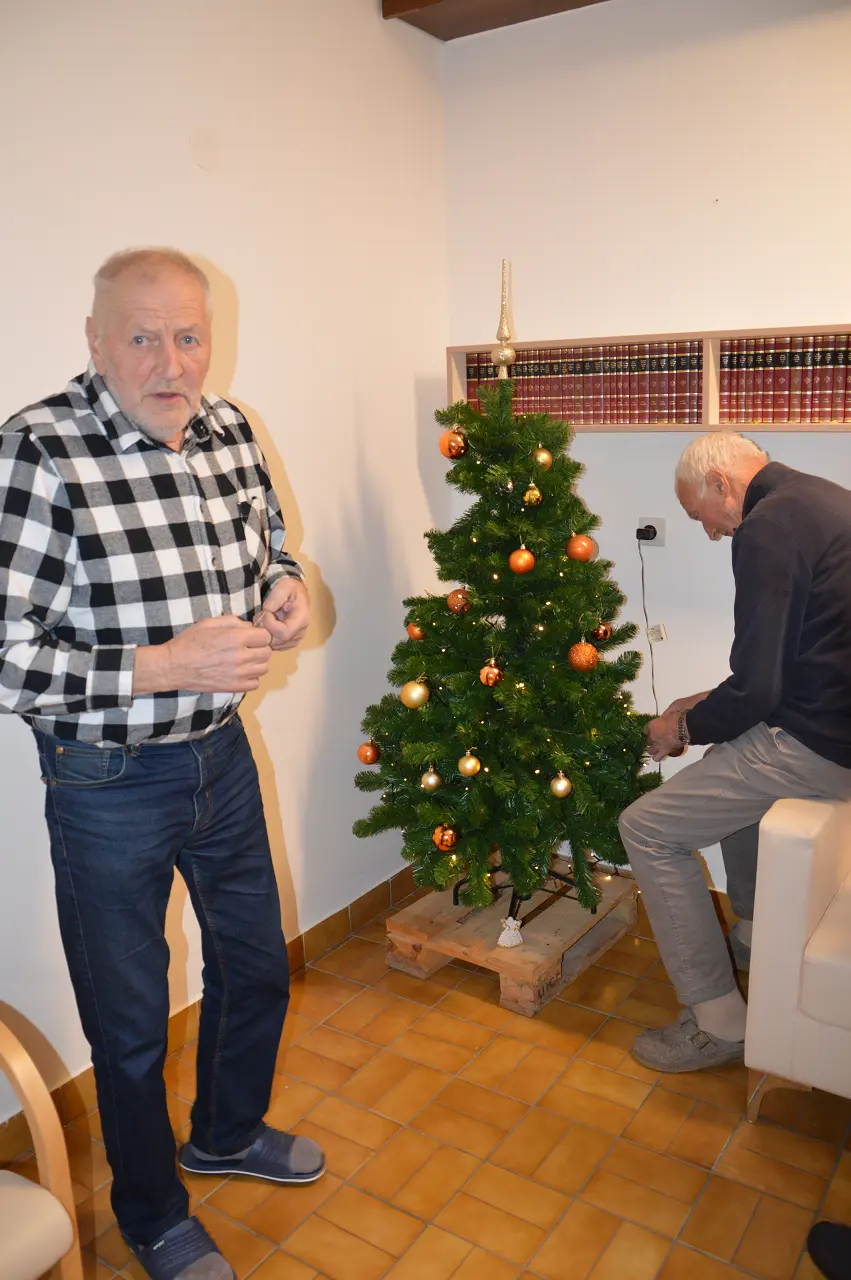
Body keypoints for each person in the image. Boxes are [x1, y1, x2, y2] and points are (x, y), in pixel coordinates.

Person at [0, 249, 324, 1280]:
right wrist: (165, 664)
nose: (170, 362)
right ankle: (150, 1212)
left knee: (256, 965)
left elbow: (267, 545)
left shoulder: (229, 429)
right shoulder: (38, 450)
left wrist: (283, 587)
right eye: (142, 337)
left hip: (221, 756)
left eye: (188, 335)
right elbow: (7, 656)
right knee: (131, 1023)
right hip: (104, 782)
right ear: (96, 342)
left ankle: (225, 1133)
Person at [618, 432, 851, 1073]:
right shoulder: (825, 500)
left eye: (703, 516)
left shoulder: (767, 527)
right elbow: (789, 663)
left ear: (722, 483)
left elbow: (757, 688)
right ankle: (750, 934)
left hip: (815, 745)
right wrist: (697, 707)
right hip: (832, 727)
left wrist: (680, 729)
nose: (711, 533)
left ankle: (719, 1023)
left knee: (646, 828)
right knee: (722, 770)